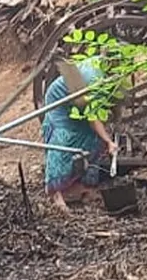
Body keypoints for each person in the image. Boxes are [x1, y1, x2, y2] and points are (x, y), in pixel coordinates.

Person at [41, 58, 117, 211]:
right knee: (63, 140)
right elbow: (91, 116)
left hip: (79, 103)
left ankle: (81, 185)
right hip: (60, 101)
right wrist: (109, 141)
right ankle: (55, 192)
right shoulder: (93, 77)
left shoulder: (107, 72)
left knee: (93, 139)